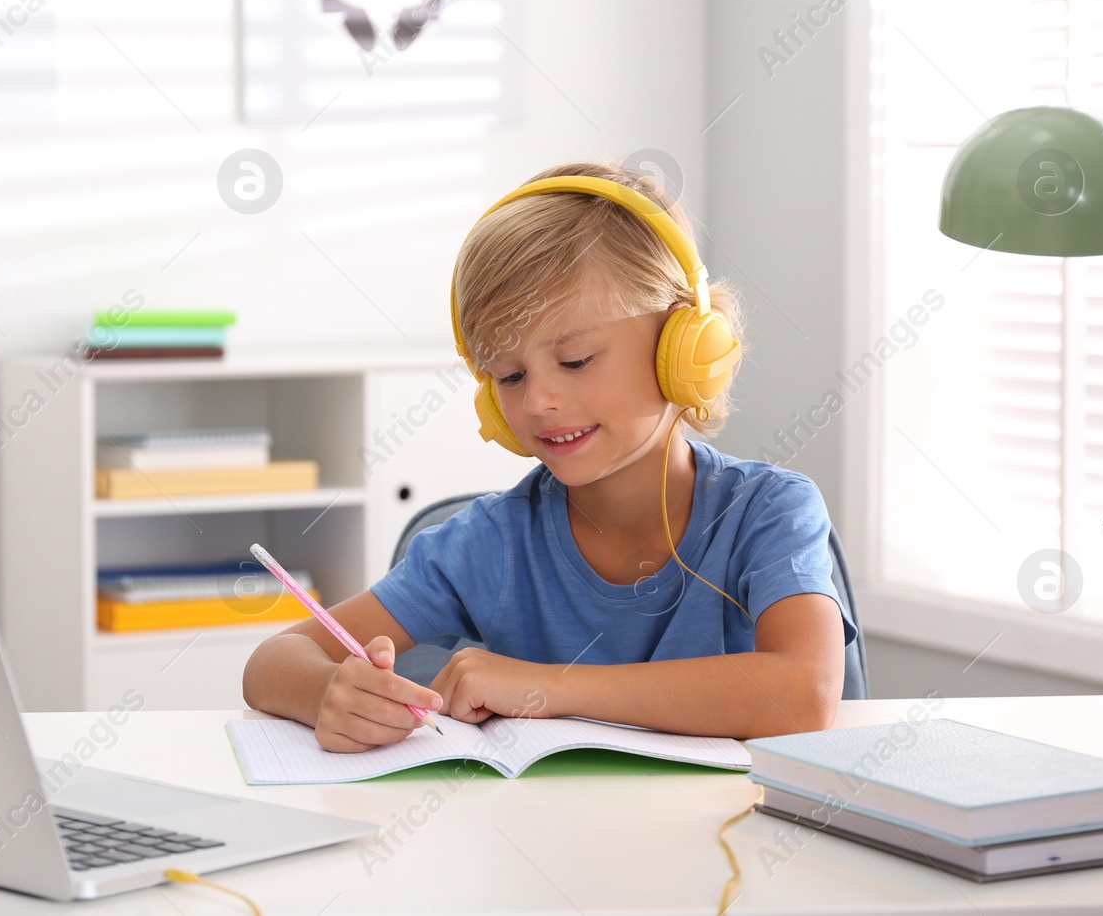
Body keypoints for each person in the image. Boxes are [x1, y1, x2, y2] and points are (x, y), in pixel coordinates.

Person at [243, 161, 855, 752]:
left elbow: (807, 693)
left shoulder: (769, 512)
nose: (538, 399)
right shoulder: (489, 544)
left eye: (576, 360)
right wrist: (331, 690)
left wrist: (547, 687)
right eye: (508, 375)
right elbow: (271, 662)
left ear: (683, 345)